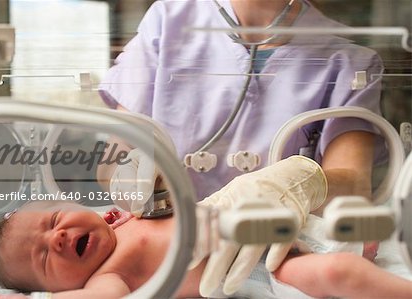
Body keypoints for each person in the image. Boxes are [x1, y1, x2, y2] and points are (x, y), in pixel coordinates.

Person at [96, 0, 385, 295]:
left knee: (329, 271)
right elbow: (112, 158)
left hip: (271, 244)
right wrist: (129, 172)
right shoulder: (168, 20)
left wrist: (302, 179)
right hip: (177, 243)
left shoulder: (346, 55)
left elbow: (354, 184)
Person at [0, 198, 412, 299]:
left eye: (54, 221)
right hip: (265, 268)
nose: (58, 237)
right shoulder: (111, 277)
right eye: (45, 257)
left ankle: (360, 243)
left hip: (274, 226)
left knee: (347, 218)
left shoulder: (123, 214)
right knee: (338, 273)